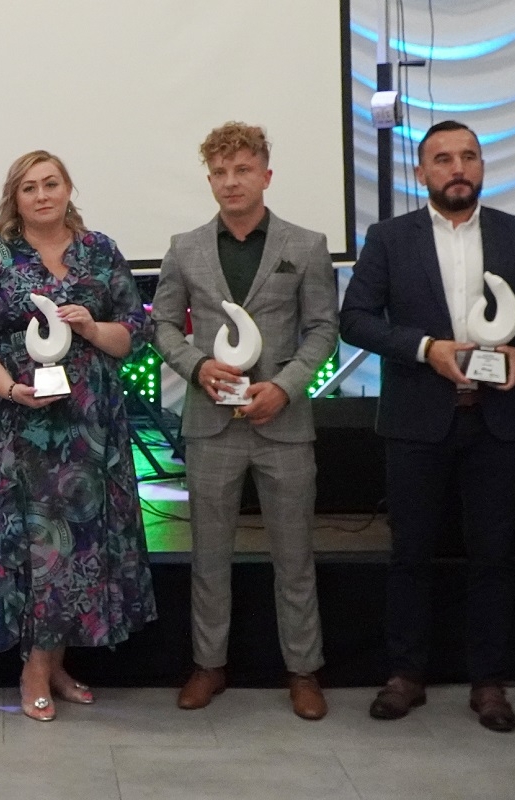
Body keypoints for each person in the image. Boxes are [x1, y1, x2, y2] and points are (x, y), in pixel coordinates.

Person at [340, 120, 515, 733]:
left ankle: (490, 682)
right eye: (443, 159)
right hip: (417, 421)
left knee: (493, 556)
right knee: (410, 554)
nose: (457, 168)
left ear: (481, 166)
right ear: (422, 172)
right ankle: (405, 674)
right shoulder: (389, 238)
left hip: (498, 422)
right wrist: (426, 349)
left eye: (468, 156)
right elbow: (355, 318)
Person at [0, 150, 156, 722]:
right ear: (14, 199)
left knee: (79, 545)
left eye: (51, 184)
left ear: (68, 189)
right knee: (37, 549)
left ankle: (53, 663)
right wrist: (13, 390)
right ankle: (35, 670)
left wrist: (92, 326)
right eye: (29, 187)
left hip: (87, 430)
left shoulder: (100, 252)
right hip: (14, 429)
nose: (42, 195)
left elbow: (134, 332)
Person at [151, 122, 338, 720]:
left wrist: (284, 387)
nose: (231, 182)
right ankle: (208, 665)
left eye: (243, 170)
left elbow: (323, 330)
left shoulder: (306, 245)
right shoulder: (185, 247)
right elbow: (162, 325)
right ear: (209, 180)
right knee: (209, 558)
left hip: (284, 423)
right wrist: (197, 365)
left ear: (266, 175)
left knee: (295, 557)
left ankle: (303, 670)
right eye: (220, 172)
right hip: (211, 425)